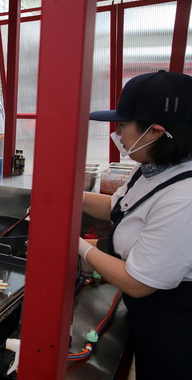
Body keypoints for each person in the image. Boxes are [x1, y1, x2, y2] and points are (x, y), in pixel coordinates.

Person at [80, 71, 192, 379]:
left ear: (155, 132)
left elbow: (139, 282)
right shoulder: (152, 167)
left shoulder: (184, 196)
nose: (118, 133)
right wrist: (67, 198)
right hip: (151, 315)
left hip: (176, 326)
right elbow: (119, 207)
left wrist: (74, 244)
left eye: (123, 124)